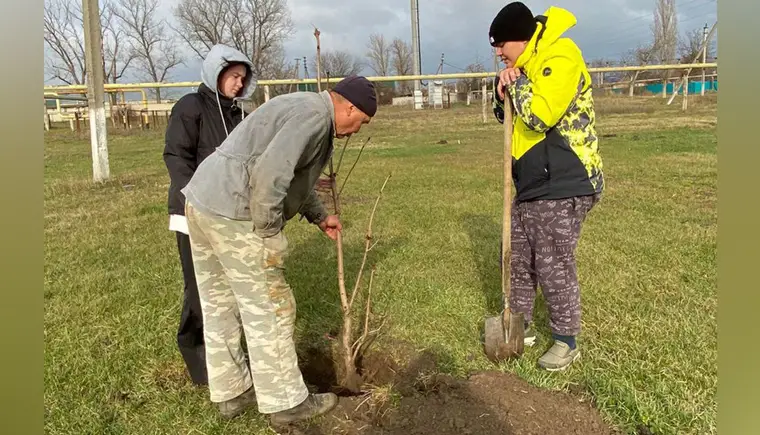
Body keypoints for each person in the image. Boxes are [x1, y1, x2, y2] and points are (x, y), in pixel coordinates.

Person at [181, 75, 377, 423]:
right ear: (349, 106)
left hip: (203, 203)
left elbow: (293, 174)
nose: (355, 131)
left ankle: (232, 392)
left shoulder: (303, 106)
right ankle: (285, 401)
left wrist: (318, 216)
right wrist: (268, 232)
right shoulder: (315, 118)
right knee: (272, 307)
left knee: (219, 304)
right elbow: (272, 174)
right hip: (235, 212)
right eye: (360, 122)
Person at [489, 2, 604, 371]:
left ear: (520, 39)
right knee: (521, 261)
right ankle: (517, 327)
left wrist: (518, 82)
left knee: (553, 262)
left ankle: (566, 341)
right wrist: (502, 92)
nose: (497, 52)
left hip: (564, 179)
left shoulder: (561, 55)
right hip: (531, 182)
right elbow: (508, 115)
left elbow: (539, 116)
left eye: (500, 44)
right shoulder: (523, 67)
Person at [163, 44, 256, 387]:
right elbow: (176, 155)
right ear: (216, 73)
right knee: (198, 285)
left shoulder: (238, 116)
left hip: (226, 213)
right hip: (191, 210)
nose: (238, 84)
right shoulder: (191, 107)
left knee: (225, 285)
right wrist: (194, 197)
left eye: (243, 79)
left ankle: (228, 354)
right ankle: (199, 359)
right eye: (233, 76)